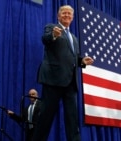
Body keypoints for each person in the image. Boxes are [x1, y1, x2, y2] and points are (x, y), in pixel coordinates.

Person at [32, 5, 94, 141]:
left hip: (71, 83)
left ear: (72, 18)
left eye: (69, 14)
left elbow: (74, 58)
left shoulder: (74, 38)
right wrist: (53, 35)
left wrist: (82, 60)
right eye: (64, 13)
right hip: (53, 80)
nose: (67, 15)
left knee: (72, 119)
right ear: (58, 16)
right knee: (46, 117)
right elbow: (45, 38)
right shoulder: (52, 27)